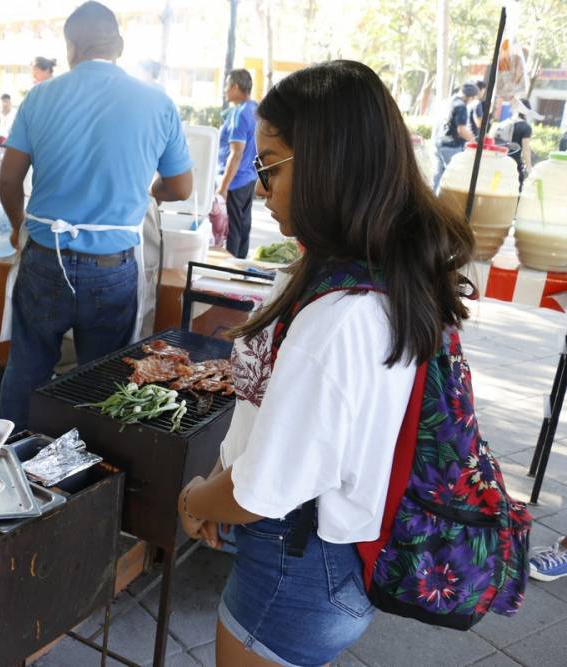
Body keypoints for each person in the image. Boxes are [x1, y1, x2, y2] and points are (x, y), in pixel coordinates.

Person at [177, 60, 476, 666]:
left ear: (326, 165)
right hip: (326, 560)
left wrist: (197, 500)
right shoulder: (377, 269)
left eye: (269, 166)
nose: (260, 188)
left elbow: (263, 489)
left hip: (295, 565)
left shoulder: (339, 316)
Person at [0, 1, 193, 429]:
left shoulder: (41, 96)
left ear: (70, 47)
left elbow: (8, 181)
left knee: (27, 370)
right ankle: (90, 473)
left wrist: (17, 227)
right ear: (119, 45)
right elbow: (180, 187)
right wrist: (150, 193)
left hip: (45, 258)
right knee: (101, 380)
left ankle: (3, 460)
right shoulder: (157, 102)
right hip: (113, 268)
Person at [216, 69, 257, 258]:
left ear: (235, 87)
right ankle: (239, 270)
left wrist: (223, 187)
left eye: (226, 85)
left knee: (232, 231)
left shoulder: (239, 113)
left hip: (235, 182)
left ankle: (229, 274)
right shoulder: (255, 109)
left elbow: (236, 153)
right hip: (249, 179)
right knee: (242, 227)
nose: (224, 90)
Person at [434, 82, 479, 189]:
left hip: (440, 143)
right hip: (452, 146)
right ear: (470, 97)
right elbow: (461, 130)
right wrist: (475, 141)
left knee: (437, 177)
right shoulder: (461, 107)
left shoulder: (451, 101)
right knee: (452, 179)